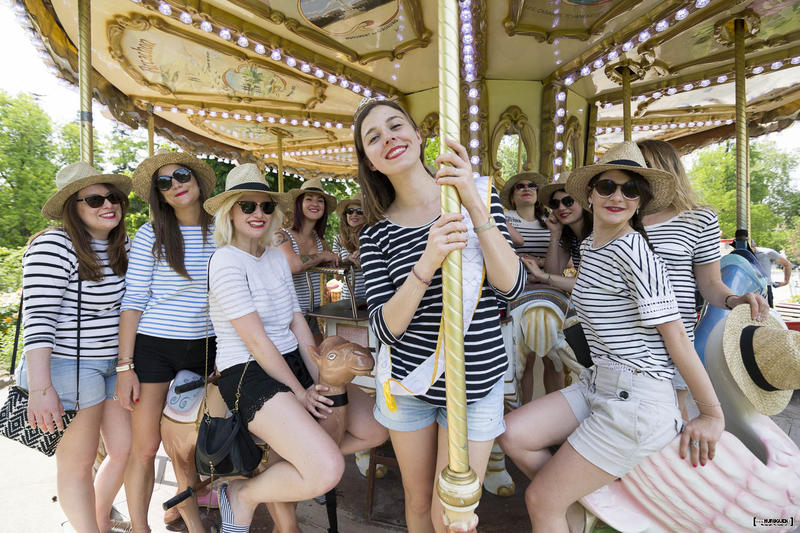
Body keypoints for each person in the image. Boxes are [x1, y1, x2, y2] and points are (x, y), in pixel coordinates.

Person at [498, 142, 725, 533]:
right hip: (598, 383)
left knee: (539, 500)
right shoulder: (590, 246)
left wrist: (711, 413)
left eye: (630, 189)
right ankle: (580, 505)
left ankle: (560, 505)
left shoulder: (635, 252)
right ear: (590, 193)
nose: (618, 196)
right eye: (607, 186)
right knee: (514, 435)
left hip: (636, 397)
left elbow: (677, 340)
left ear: (641, 202)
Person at [355, 99, 525, 533]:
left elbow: (512, 287)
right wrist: (426, 264)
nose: (388, 137)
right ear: (371, 162)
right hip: (409, 383)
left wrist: (472, 202)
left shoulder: (477, 196)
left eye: (395, 126)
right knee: (416, 503)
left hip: (474, 381)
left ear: (417, 135)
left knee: (451, 515)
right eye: (373, 137)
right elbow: (383, 328)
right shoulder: (376, 234)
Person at [203, 164, 387, 531]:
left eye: (266, 207)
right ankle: (242, 495)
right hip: (248, 369)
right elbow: (255, 339)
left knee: (375, 428)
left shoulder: (273, 256)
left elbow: (295, 319)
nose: (259, 214)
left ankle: (286, 464)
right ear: (230, 212)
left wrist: (319, 368)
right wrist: (300, 391)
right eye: (248, 207)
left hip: (289, 359)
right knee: (327, 470)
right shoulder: (225, 260)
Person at [17, 162, 132, 533]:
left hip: (111, 363)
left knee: (124, 450)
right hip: (66, 364)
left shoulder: (120, 244)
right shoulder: (54, 245)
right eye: (95, 199)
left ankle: (95, 520)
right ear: (73, 206)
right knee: (78, 463)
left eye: (112, 196)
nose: (108, 204)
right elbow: (39, 320)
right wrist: (41, 388)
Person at [115, 149, 218, 533]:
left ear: (196, 179)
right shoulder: (152, 233)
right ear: (159, 194)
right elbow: (134, 301)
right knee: (144, 448)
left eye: (181, 175)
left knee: (191, 447)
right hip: (155, 347)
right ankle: (141, 527)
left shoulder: (224, 229)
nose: (175, 184)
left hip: (206, 347)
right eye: (164, 182)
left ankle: (183, 507)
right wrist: (125, 367)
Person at [637, 139, 769, 420]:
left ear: (665, 169)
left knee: (670, 418)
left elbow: (709, 283)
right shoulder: (621, 213)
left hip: (672, 340)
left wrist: (734, 299)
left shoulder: (698, 218)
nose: (637, 173)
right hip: (621, 335)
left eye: (644, 165)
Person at [499, 172, 561, 397]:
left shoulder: (550, 221)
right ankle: (525, 409)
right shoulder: (505, 217)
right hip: (519, 288)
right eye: (520, 186)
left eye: (532, 186)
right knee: (524, 355)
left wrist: (538, 263)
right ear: (512, 197)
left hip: (548, 287)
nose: (527, 188)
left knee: (554, 355)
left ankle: (556, 411)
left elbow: (567, 257)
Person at [274, 178, 339, 343]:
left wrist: (345, 259)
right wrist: (323, 256)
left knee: (319, 359)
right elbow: (294, 264)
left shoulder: (319, 239)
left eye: (320, 200)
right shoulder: (281, 235)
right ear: (298, 205)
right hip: (288, 315)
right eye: (309, 199)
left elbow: (334, 263)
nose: (315, 203)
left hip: (313, 314)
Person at [332, 192, 367, 302]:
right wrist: (347, 261)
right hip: (348, 299)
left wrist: (367, 251)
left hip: (371, 297)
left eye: (360, 211)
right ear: (345, 215)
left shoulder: (373, 238)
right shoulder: (339, 240)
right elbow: (336, 277)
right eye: (350, 211)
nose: (354, 214)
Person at [751, 240, 793, 307]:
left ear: (755, 246)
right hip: (746, 288)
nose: (747, 252)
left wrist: (786, 281)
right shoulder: (739, 254)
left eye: (749, 249)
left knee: (767, 314)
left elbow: (787, 264)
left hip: (764, 288)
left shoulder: (767, 253)